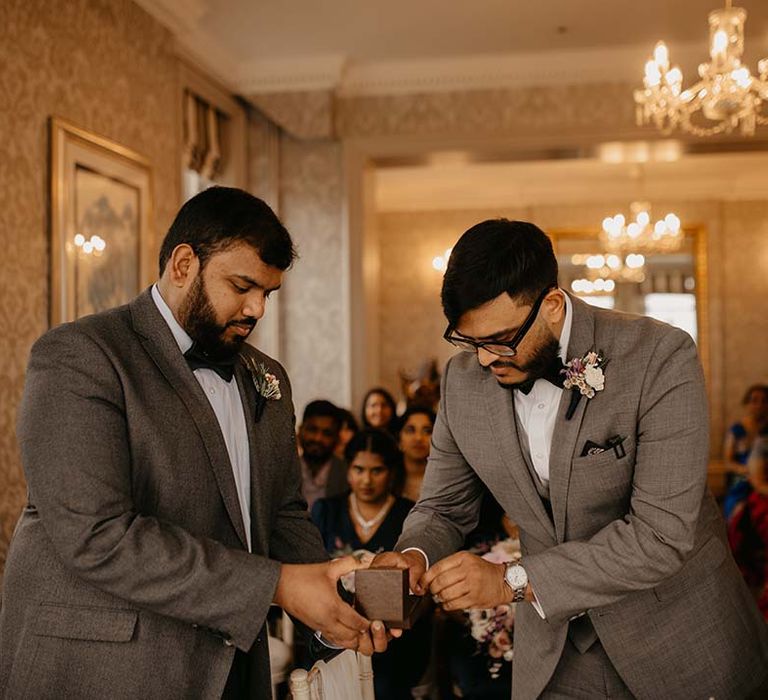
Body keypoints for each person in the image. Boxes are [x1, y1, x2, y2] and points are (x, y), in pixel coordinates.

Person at [0, 187, 388, 699]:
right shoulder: (82, 356)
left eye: (267, 293)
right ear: (184, 264)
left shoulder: (266, 377)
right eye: (242, 286)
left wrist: (332, 597)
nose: (256, 309)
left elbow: (282, 513)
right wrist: (275, 585)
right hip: (105, 669)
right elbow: (98, 535)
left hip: (231, 667)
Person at [375, 219, 768, 699]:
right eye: (469, 342)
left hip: (677, 641)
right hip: (556, 652)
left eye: (499, 340)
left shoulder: (661, 357)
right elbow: (442, 507)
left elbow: (662, 535)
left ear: (553, 306)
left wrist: (510, 581)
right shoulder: (463, 384)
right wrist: (414, 555)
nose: (483, 360)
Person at [311, 429, 428, 700]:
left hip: (393, 638)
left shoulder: (410, 515)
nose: (366, 480)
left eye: (377, 471)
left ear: (391, 472)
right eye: (358, 469)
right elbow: (312, 572)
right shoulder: (326, 511)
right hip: (335, 629)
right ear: (348, 469)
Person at [723, 384, 768, 518]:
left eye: (764, 401)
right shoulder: (737, 429)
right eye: (754, 400)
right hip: (743, 475)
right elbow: (728, 462)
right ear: (747, 403)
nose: (759, 405)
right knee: (740, 508)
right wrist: (747, 470)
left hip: (765, 474)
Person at [298, 399, 348, 509]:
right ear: (300, 430)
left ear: (337, 439)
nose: (318, 438)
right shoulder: (285, 470)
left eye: (327, 433)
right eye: (312, 430)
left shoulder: (347, 475)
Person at [397, 406, 435, 502]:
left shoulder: (446, 481)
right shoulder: (387, 480)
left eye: (427, 431)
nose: (418, 438)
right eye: (410, 430)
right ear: (399, 438)